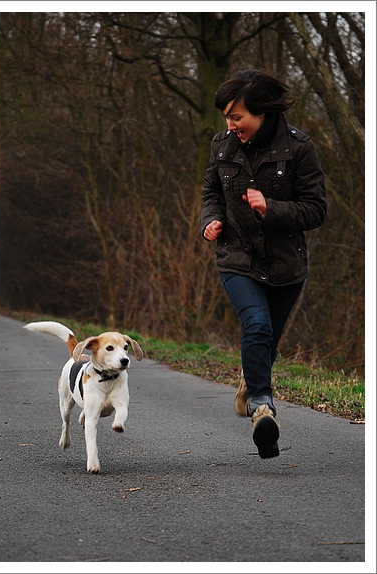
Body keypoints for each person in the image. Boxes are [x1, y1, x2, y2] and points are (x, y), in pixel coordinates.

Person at [201, 70, 327, 459]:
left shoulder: (299, 148)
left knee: (266, 342)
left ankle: (249, 385)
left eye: (237, 117)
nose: (230, 124)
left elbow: (315, 209)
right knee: (256, 324)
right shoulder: (222, 145)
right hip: (236, 257)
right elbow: (211, 191)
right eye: (226, 117)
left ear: (261, 113)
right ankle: (261, 408)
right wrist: (210, 221)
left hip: (287, 267)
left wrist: (270, 208)